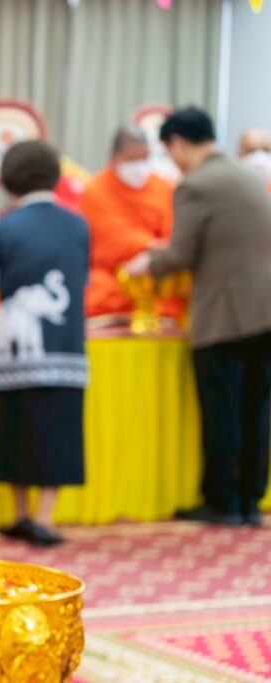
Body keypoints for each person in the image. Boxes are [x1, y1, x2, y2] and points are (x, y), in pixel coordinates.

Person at [127, 106, 271, 526]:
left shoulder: (196, 184)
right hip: (263, 311)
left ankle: (222, 502)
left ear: (177, 143)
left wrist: (145, 265)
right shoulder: (248, 176)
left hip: (226, 315)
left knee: (222, 411)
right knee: (257, 410)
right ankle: (249, 500)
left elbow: (181, 254)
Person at [0, 141, 89, 546]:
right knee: (60, 429)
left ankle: (21, 513)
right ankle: (45, 517)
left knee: (16, 430)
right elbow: (83, 283)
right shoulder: (78, 225)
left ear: (9, 180)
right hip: (67, 347)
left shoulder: (5, 227)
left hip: (16, 349)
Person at [81, 127, 174, 319]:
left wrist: (159, 253)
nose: (140, 167)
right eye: (132, 159)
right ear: (114, 158)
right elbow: (112, 237)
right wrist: (151, 246)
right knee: (97, 290)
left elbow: (172, 230)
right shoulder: (96, 190)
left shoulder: (162, 187)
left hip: (156, 269)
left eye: (144, 159)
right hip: (113, 274)